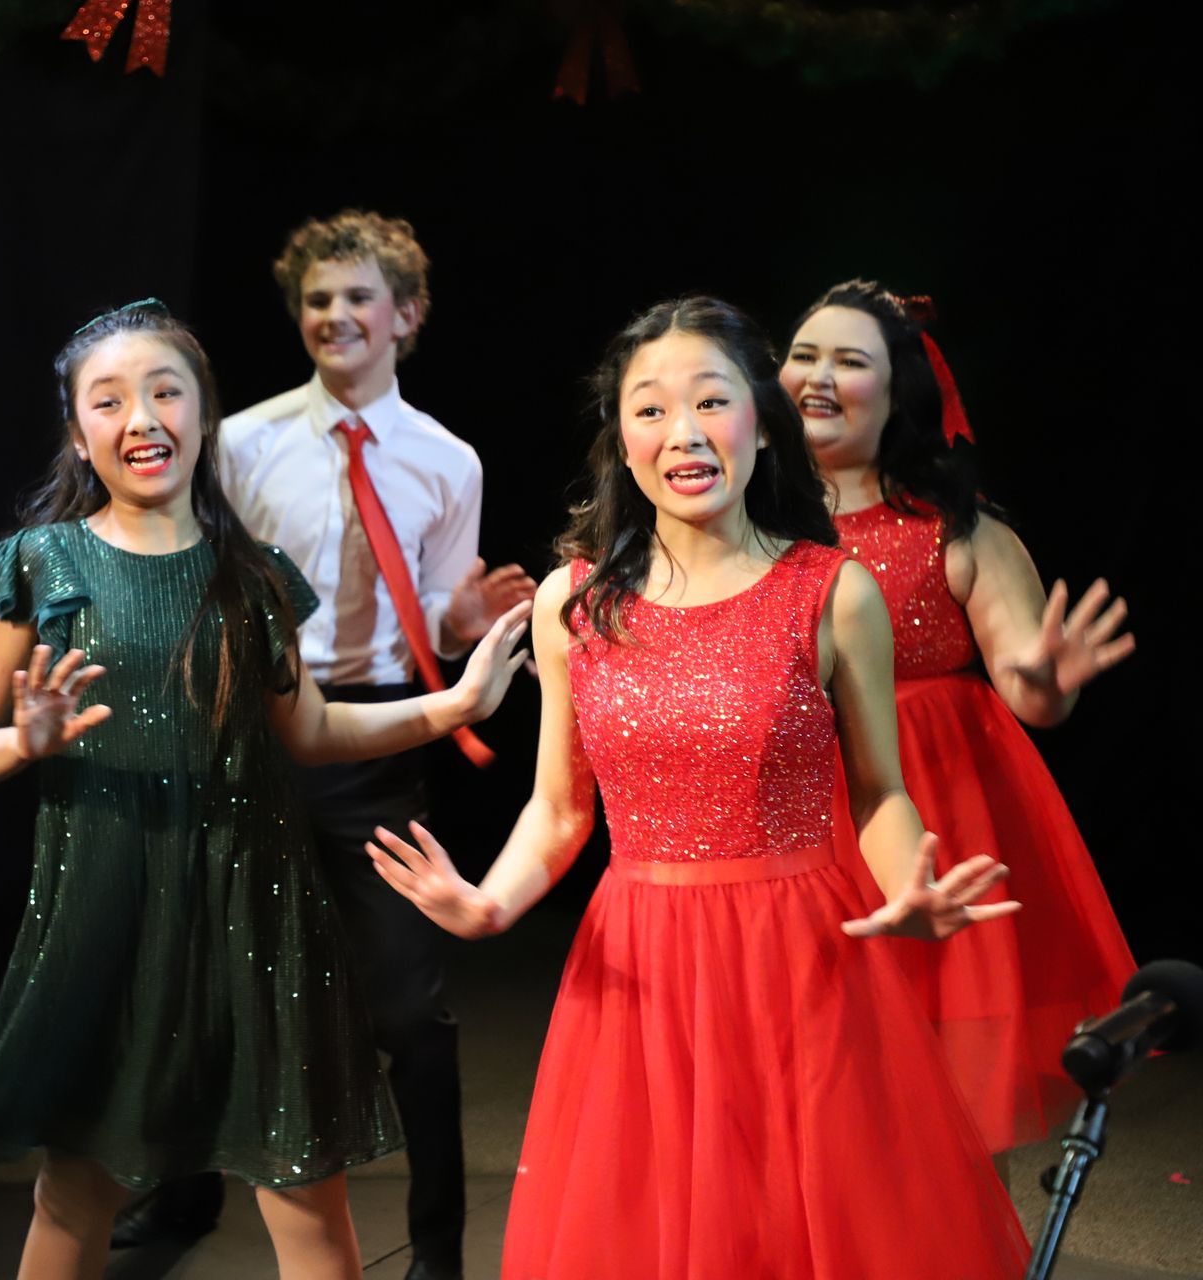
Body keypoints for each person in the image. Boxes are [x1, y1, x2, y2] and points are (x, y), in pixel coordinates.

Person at [369, 297, 1030, 1278]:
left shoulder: (833, 589)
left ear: (761, 425)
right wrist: (490, 902)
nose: (682, 430)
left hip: (801, 954)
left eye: (711, 401)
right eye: (651, 409)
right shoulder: (574, 602)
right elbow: (560, 807)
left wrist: (907, 885)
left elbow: (877, 793)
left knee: (805, 1223)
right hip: (642, 965)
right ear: (622, 443)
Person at [0, 299, 530, 1280]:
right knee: (75, 1194)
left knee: (307, 1193)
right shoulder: (43, 563)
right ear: (77, 431)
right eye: (109, 400)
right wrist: (20, 741)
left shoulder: (250, 576)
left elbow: (312, 731)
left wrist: (453, 704)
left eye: (166, 392)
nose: (142, 418)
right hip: (109, 920)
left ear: (203, 414)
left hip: (258, 915)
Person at [138, 211, 531, 1280]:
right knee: (209, 978)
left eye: (359, 297)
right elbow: (203, 580)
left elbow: (438, 611)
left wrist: (466, 617)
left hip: (379, 738)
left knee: (409, 1007)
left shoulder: (447, 460)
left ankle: (439, 1243)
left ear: (406, 315)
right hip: (257, 725)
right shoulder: (243, 443)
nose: (335, 315)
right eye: (318, 299)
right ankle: (182, 1192)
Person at [781, 279, 1137, 1152]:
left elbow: (1029, 689)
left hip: (930, 805)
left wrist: (1048, 682)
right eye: (803, 355)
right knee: (807, 1078)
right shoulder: (741, 526)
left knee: (945, 1097)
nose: (818, 376)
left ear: (898, 391)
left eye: (847, 361)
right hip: (791, 816)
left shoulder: (957, 531)